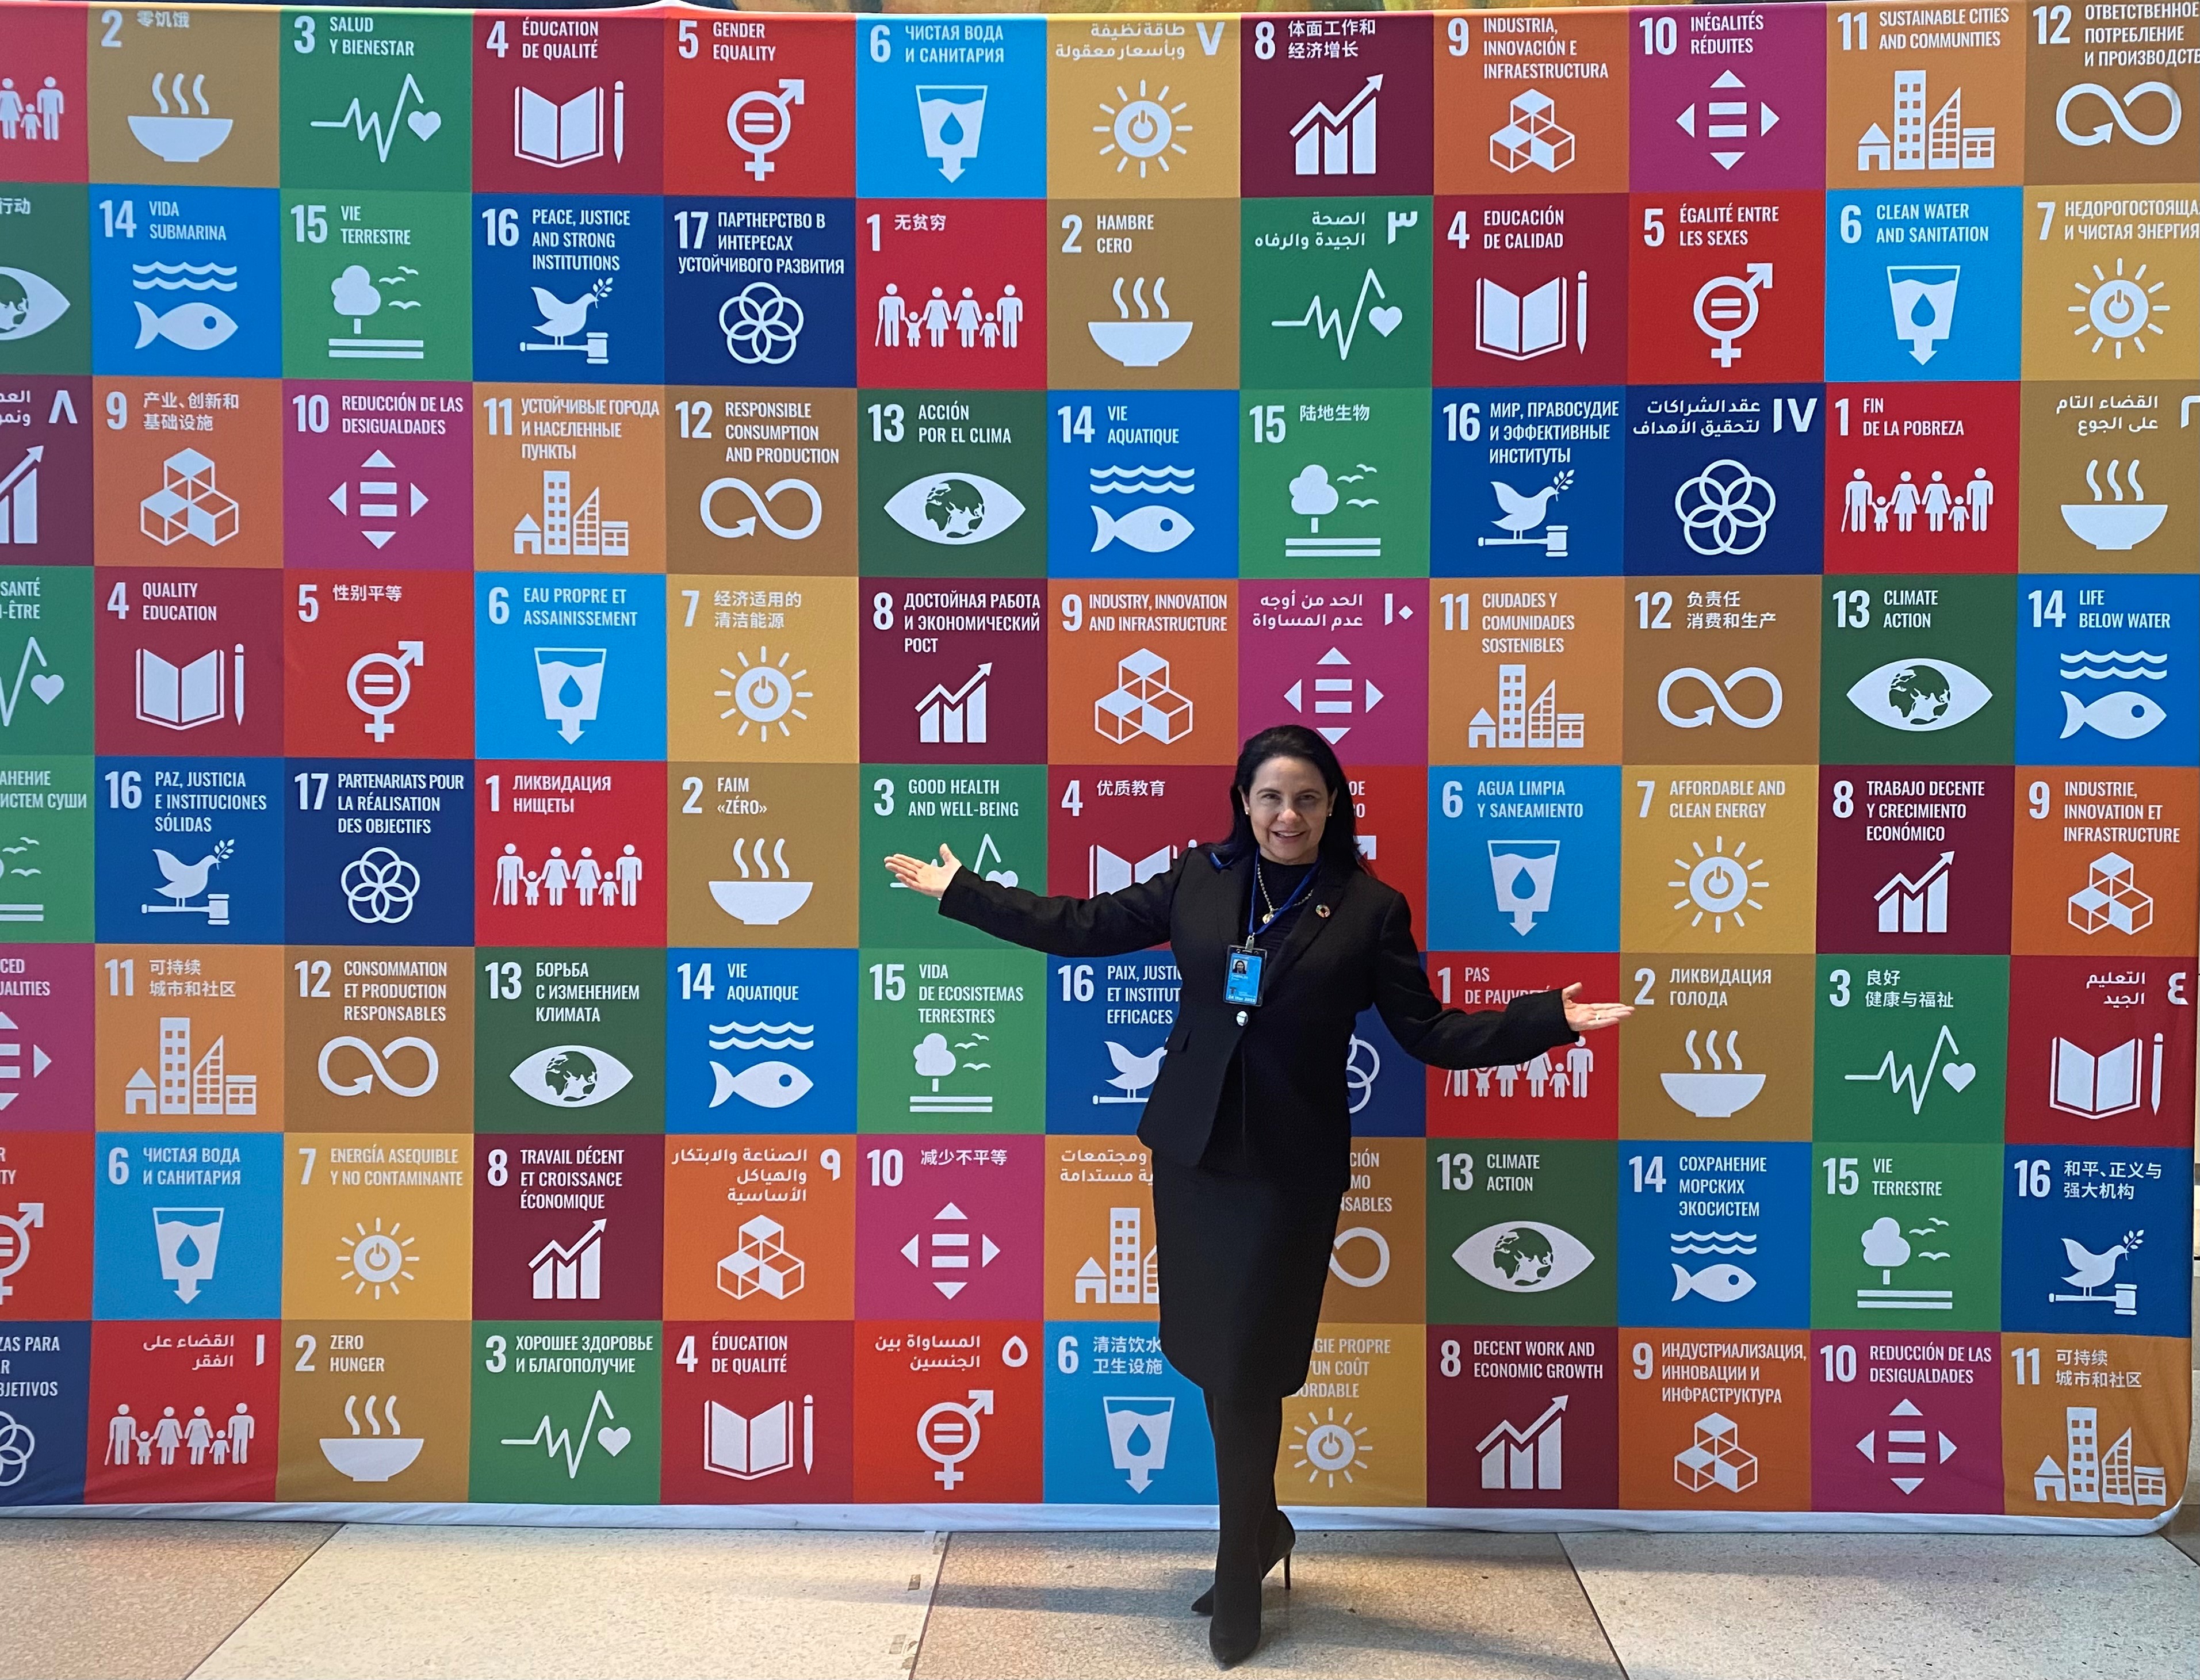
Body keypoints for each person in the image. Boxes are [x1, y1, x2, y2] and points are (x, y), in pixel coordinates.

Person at [886, 726, 1629, 1667]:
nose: (1288, 815)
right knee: (1212, 1355)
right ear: (1243, 801)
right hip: (1195, 1154)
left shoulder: (1368, 907)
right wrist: (962, 890)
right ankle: (1259, 1528)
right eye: (1271, 796)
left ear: (1333, 806)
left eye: (1308, 798)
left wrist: (1547, 1020)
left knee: (1248, 1362)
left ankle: (1239, 1563)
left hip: (1287, 1170)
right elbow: (1082, 926)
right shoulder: (1198, 878)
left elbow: (1429, 1031)